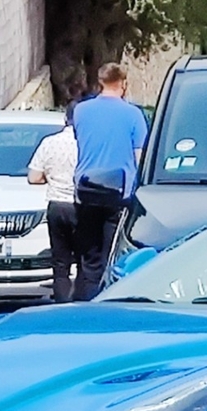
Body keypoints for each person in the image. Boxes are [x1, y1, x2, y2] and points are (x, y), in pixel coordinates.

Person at [69, 62, 149, 300]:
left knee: (89, 257)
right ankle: (109, 299)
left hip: (85, 191)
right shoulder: (133, 114)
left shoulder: (81, 111)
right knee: (112, 254)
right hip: (119, 194)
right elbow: (140, 156)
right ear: (123, 84)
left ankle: (86, 300)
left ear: (100, 82)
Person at [25, 109, 79, 305]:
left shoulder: (49, 143)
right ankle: (82, 303)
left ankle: (62, 302)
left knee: (60, 262)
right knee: (85, 260)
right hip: (81, 205)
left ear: (66, 118)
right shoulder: (88, 142)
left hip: (56, 205)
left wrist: (54, 178)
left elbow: (34, 177)